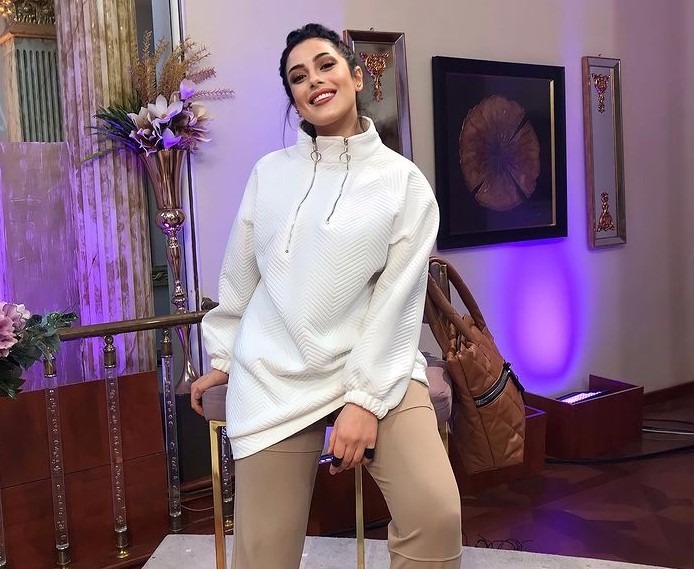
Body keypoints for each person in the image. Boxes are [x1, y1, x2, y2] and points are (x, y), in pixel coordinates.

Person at [191, 22, 462, 569]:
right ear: (294, 99)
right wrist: (223, 358)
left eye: (325, 65)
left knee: (436, 514)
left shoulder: (402, 182)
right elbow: (241, 276)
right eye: (298, 77)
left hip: (376, 364)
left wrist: (365, 399)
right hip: (275, 373)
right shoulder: (269, 175)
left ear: (356, 77)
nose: (313, 80)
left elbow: (398, 299)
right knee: (262, 556)